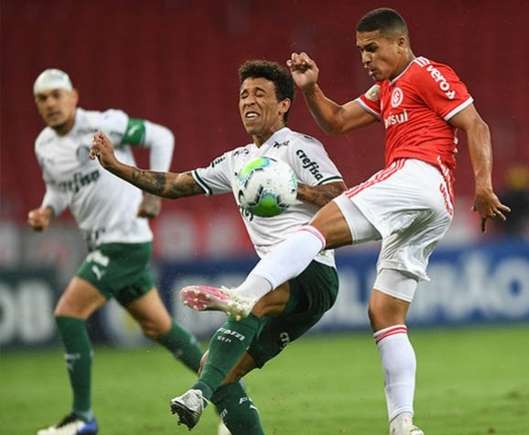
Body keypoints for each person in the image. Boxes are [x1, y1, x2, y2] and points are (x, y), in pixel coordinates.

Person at [179, 8, 509, 435]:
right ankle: (403, 424)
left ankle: (245, 296)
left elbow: (475, 124)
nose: (365, 59)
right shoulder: (385, 89)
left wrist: (483, 186)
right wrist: (311, 88)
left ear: (400, 43)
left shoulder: (426, 73)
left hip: (417, 175)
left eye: (372, 48)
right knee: (385, 312)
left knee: (313, 230)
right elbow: (336, 121)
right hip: (432, 208)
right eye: (360, 51)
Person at [90, 60, 347, 434]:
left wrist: (291, 188)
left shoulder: (298, 147)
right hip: (283, 288)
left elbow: (339, 195)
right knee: (219, 369)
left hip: (312, 270)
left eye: (260, 93)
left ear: (284, 104)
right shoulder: (237, 161)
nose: (249, 101)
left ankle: (196, 394)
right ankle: (210, 393)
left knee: (248, 305)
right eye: (244, 95)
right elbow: (177, 184)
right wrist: (115, 166)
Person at [28, 69, 203, 435]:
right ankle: (235, 402)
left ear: (73, 96)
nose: (50, 104)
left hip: (124, 241)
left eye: (56, 95)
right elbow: (60, 189)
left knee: (67, 314)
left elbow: (161, 136)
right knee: (161, 328)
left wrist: (155, 194)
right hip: (106, 244)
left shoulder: (103, 124)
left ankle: (82, 418)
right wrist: (47, 209)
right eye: (42, 99)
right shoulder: (44, 145)